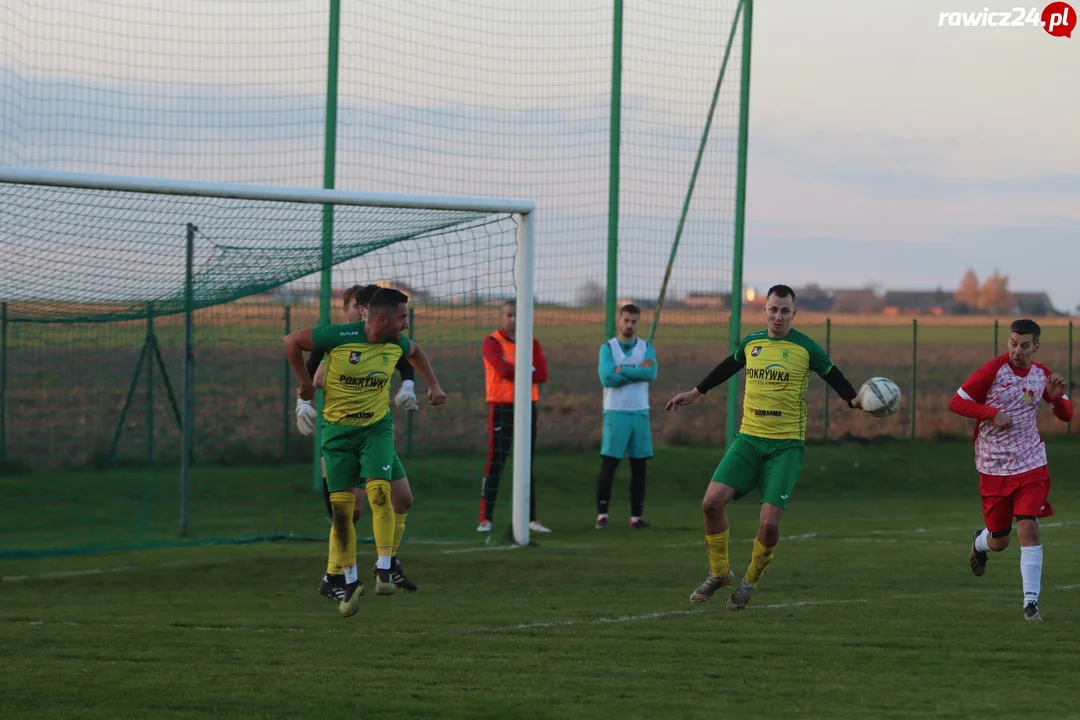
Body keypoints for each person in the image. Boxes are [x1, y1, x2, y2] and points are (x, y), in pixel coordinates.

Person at [665, 284, 863, 611]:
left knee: (769, 525)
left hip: (785, 448)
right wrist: (695, 392)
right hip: (748, 440)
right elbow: (729, 365)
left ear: (794, 314)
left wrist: (853, 400)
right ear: (764, 311)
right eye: (773, 309)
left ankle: (749, 581)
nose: (778, 316)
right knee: (711, 503)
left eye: (785, 311)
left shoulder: (806, 348)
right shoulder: (752, 342)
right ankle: (719, 573)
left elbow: (834, 375)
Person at [285, 288, 446, 618]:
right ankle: (336, 576)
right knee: (350, 510)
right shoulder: (335, 338)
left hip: (376, 430)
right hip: (340, 432)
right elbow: (300, 355)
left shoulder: (392, 342)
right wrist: (303, 396)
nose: (406, 323)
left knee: (399, 499)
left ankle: (387, 565)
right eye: (402, 317)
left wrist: (418, 386)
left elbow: (412, 353)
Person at [949, 318, 1072, 622]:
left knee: (1028, 528)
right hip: (994, 466)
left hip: (1031, 463)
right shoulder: (992, 371)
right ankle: (981, 541)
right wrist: (991, 413)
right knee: (1000, 541)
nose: (1018, 350)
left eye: (1025, 345)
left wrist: (1056, 401)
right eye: (1013, 343)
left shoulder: (1042, 375)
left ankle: (1031, 604)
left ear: (1036, 346)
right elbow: (956, 403)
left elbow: (1067, 415)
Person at [478, 299, 551, 533]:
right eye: (508, 315)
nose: (512, 320)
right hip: (501, 407)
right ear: (503, 317)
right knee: (496, 462)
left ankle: (531, 519)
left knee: (526, 463)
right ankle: (486, 519)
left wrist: (520, 370)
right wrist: (525, 369)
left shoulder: (532, 342)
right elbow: (503, 370)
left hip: (528, 406)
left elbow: (542, 374)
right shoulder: (492, 342)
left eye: (517, 316)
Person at [595, 303, 657, 529]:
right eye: (626, 320)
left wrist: (623, 370)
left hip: (639, 412)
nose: (629, 325)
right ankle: (602, 514)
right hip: (615, 412)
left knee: (639, 467)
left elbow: (651, 373)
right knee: (609, 464)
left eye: (633, 321)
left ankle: (636, 517)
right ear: (619, 321)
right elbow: (607, 378)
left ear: (638, 323)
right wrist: (636, 371)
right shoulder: (608, 349)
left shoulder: (645, 346)